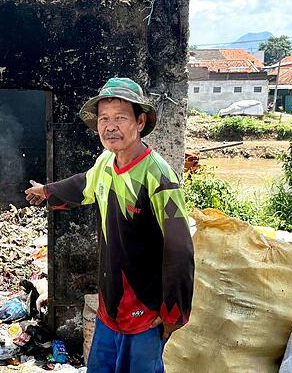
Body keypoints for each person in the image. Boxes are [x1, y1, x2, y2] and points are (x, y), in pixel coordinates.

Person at [25, 77, 194, 373]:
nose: (110, 126)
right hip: (109, 307)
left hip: (143, 311)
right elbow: (83, 184)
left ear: (140, 122)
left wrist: (173, 313)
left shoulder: (158, 176)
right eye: (104, 119)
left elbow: (179, 250)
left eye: (120, 118)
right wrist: (47, 191)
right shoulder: (106, 162)